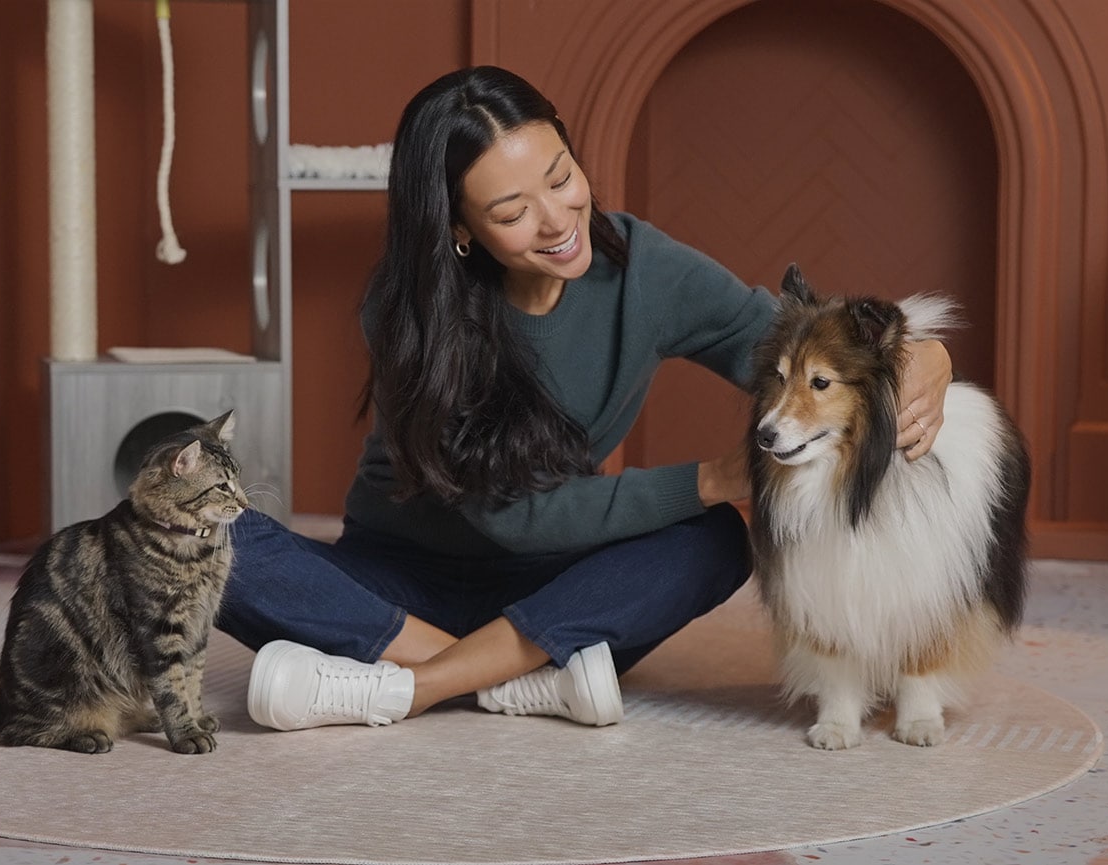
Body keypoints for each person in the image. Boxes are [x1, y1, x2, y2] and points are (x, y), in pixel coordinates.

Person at [217, 65, 953, 731]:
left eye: (561, 175)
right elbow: (512, 518)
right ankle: (514, 678)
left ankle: (413, 686)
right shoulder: (411, 311)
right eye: (510, 212)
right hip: (400, 585)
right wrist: (707, 477)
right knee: (207, 544)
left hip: (564, 582)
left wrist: (928, 354)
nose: (559, 220)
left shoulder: (642, 268)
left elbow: (794, 345)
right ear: (460, 230)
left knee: (716, 541)